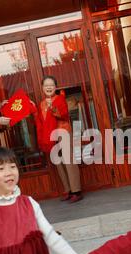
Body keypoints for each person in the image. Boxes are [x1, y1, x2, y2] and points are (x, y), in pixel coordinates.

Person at [34, 75, 83, 203]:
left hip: (63, 131)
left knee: (68, 161)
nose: (49, 87)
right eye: (46, 85)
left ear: (55, 87)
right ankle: (68, 190)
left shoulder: (60, 99)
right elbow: (41, 121)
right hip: (51, 135)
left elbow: (64, 115)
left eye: (51, 85)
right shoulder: (41, 104)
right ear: (42, 88)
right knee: (59, 163)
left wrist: (53, 108)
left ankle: (76, 191)